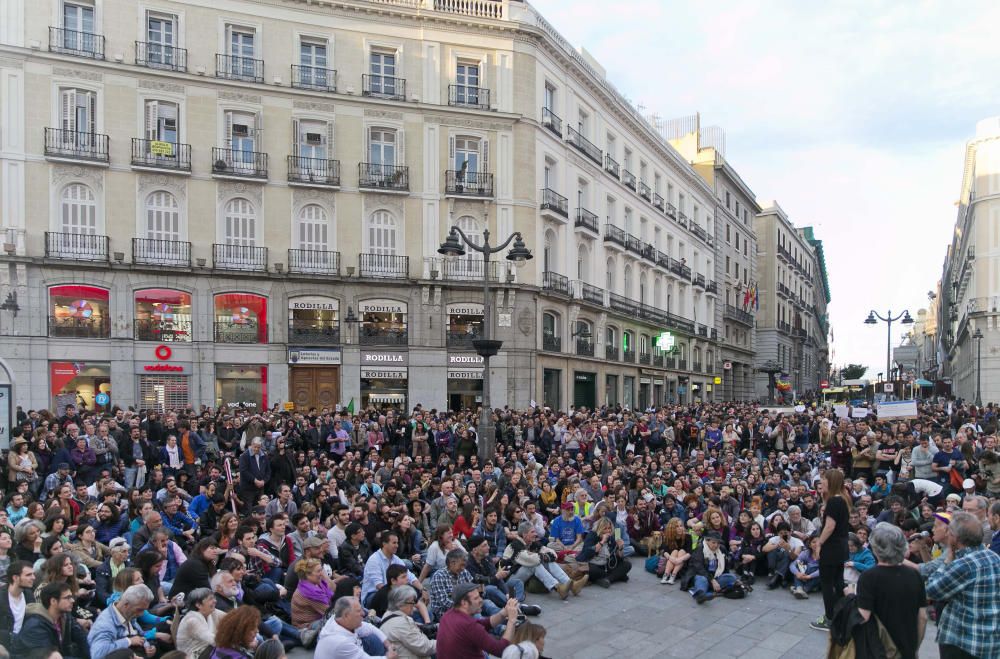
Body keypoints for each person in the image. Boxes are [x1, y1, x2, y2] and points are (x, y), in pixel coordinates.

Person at [916, 511, 1000, 659]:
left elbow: (932, 590)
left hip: (963, 642)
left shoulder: (963, 564)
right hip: (991, 641)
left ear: (955, 537)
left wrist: (947, 560)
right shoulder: (994, 557)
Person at [855, 523, 927, 659]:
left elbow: (863, 617)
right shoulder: (914, 574)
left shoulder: (869, 577)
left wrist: (850, 597)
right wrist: (914, 648)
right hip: (907, 648)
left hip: (879, 649)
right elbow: (922, 617)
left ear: (875, 548)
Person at [436, 582, 519, 659]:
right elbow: (502, 650)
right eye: (476, 598)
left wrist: (503, 613)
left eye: (479, 596)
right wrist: (511, 621)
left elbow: (482, 624)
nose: (481, 600)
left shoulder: (448, 615)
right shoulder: (469, 625)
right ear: (464, 603)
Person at [813, 467, 850, 631]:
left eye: (824, 480)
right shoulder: (842, 498)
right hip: (840, 546)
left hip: (832, 547)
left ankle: (830, 617)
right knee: (838, 582)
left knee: (827, 584)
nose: (821, 482)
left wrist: (819, 543)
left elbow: (829, 526)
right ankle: (841, 614)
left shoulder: (835, 501)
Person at [13, 581, 90, 658]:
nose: (72, 600)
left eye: (71, 597)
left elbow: (82, 638)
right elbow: (48, 656)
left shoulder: (65, 616)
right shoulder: (36, 625)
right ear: (53, 601)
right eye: (67, 598)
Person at [87, 583, 157, 659]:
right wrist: (128, 641)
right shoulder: (105, 623)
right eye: (139, 610)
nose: (141, 614)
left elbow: (140, 635)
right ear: (126, 604)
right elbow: (98, 653)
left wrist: (147, 646)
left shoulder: (128, 614)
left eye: (144, 610)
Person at [315, 596, 394, 659]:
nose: (363, 614)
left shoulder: (339, 620)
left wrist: (388, 644)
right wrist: (389, 657)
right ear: (346, 615)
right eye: (358, 611)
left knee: (372, 638)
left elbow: (370, 628)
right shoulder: (340, 642)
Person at [378, 585, 436, 659]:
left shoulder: (389, 615)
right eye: (412, 602)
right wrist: (445, 641)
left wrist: (437, 626)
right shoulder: (399, 624)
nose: (414, 605)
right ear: (400, 604)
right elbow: (423, 648)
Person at [680, 530, 736, 604]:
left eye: (718, 543)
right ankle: (701, 595)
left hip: (715, 576)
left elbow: (726, 567)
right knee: (702, 579)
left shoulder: (721, 549)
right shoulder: (700, 549)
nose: (716, 545)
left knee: (732, 577)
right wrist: (712, 580)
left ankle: (708, 588)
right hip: (701, 576)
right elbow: (699, 568)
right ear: (707, 541)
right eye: (713, 542)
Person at [175, 587, 226, 659]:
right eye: (210, 599)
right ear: (198, 605)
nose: (215, 601)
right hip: (194, 655)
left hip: (209, 650)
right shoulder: (192, 620)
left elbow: (231, 619)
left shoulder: (212, 612)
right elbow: (214, 640)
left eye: (214, 598)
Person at [0, 561, 35, 648]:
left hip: (25, 645)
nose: (33, 577)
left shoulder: (29, 595)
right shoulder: (1, 597)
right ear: (15, 577)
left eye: (33, 574)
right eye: (28, 575)